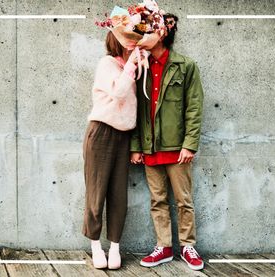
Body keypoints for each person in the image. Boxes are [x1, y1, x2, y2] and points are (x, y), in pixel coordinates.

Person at [130, 13, 205, 271]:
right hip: (150, 146)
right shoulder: (141, 66)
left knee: (184, 200)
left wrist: (190, 143)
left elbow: (194, 107)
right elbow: (136, 109)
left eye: (146, 32)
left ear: (161, 33)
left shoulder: (186, 66)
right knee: (157, 200)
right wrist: (136, 146)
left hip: (177, 148)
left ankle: (187, 246)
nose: (141, 37)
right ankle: (164, 246)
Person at [82, 31, 142, 270]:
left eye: (134, 36)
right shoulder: (107, 64)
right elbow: (117, 92)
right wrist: (131, 65)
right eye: (126, 36)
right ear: (115, 39)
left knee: (119, 196)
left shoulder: (134, 67)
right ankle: (95, 245)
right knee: (96, 194)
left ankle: (115, 246)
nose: (131, 40)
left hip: (123, 136)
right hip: (101, 133)